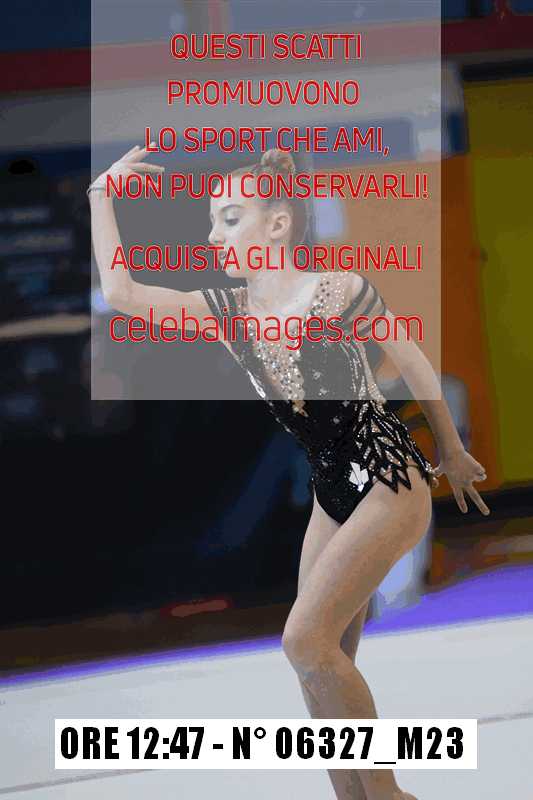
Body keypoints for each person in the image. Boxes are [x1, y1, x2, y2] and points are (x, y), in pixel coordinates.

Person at [88, 143, 489, 800]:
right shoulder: (228, 312)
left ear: (277, 224)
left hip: (387, 479)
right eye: (212, 222)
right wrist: (101, 196)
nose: (213, 236)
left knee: (303, 641)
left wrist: (448, 447)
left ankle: (389, 796)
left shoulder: (339, 290)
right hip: (332, 491)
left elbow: (412, 360)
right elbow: (121, 292)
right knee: (318, 661)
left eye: (230, 219)